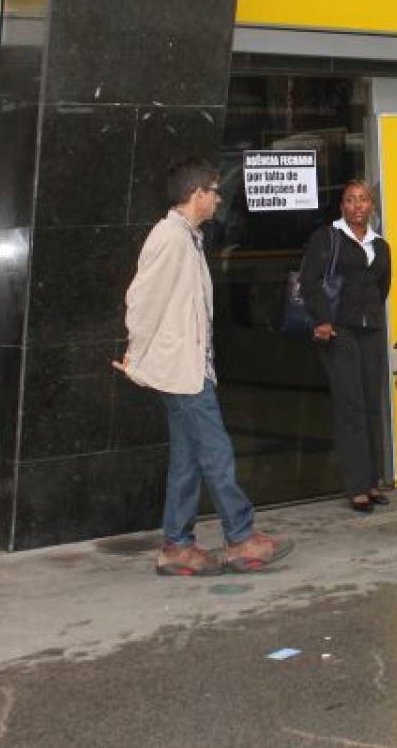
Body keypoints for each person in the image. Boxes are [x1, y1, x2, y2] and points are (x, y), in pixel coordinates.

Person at [114, 157, 292, 576]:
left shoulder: (186, 237)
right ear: (197, 194)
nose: (218, 199)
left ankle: (177, 546)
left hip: (189, 368)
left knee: (188, 461)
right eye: (214, 191)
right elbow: (142, 302)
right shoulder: (170, 238)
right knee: (216, 453)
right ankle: (241, 537)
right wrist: (136, 356)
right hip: (183, 372)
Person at [299, 180, 392, 514]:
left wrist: (370, 314)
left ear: (371, 206)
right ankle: (356, 485)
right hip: (338, 329)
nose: (357, 206)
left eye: (363, 200)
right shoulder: (328, 237)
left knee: (371, 405)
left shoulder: (380, 245)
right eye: (350, 200)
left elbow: (383, 287)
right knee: (351, 406)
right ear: (342, 206)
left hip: (372, 329)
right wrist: (323, 319)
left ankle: (372, 480)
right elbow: (309, 281)